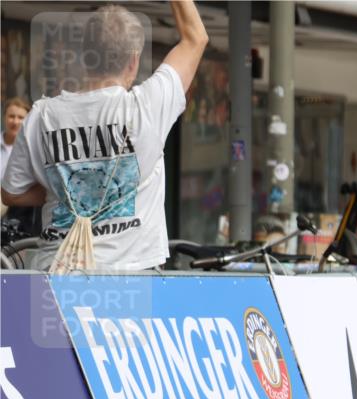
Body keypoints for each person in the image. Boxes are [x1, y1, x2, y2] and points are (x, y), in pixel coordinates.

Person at [1, 1, 208, 271]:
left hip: (52, 275)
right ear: (134, 60)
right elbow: (196, 38)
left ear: (84, 57)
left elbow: (11, 193)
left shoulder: (41, 116)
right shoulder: (146, 107)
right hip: (128, 279)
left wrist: (67, 191)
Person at [0, 97, 34, 228]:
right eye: (11, 116)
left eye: (20, 117)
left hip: (21, 212)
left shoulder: (31, 150)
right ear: (4, 117)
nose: (15, 121)